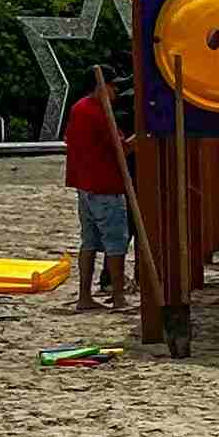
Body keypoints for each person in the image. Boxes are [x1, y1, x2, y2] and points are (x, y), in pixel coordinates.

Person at [65, 65, 138, 312]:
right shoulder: (99, 112)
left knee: (88, 243)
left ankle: (84, 296)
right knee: (115, 243)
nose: (116, 89)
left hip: (85, 186)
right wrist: (142, 136)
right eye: (112, 85)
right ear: (100, 86)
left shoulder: (78, 108)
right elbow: (121, 149)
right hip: (105, 186)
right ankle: (118, 297)